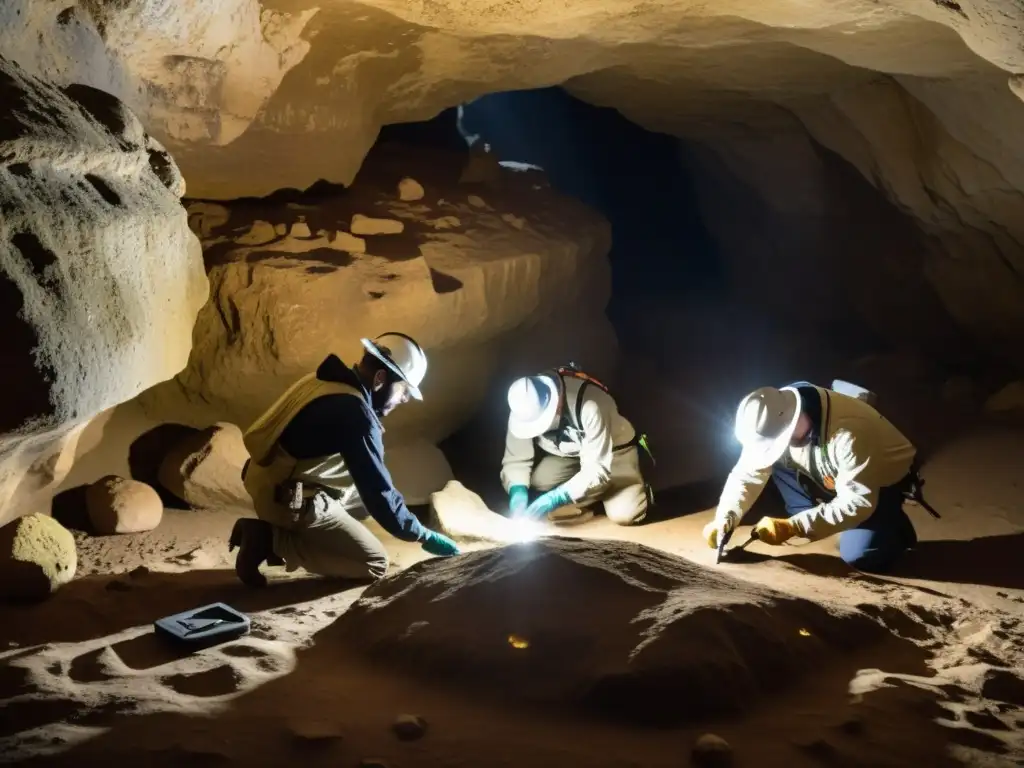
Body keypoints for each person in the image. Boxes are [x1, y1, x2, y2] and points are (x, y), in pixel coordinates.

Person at [228, 332, 460, 587]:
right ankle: (269, 539)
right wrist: (422, 534)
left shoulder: (323, 382)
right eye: (404, 389)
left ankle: (294, 527)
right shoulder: (356, 415)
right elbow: (379, 494)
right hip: (286, 500)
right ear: (381, 379)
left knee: (360, 500)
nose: (405, 399)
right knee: (373, 562)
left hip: (264, 478)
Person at [703, 381, 920, 573]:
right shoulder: (776, 414)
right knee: (772, 462)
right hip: (829, 468)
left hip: (881, 480)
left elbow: (858, 502)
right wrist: (726, 516)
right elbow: (749, 472)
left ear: (795, 418)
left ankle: (893, 525)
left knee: (860, 554)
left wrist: (793, 527)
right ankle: (823, 517)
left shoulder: (849, 434)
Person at [500, 366, 651, 526]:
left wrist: (558, 496)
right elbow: (516, 459)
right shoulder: (524, 407)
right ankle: (588, 495)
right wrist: (517, 491)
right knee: (539, 481)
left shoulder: (590, 404)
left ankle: (629, 486)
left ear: (556, 405)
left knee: (625, 514)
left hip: (613, 454)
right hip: (573, 456)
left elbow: (597, 469)